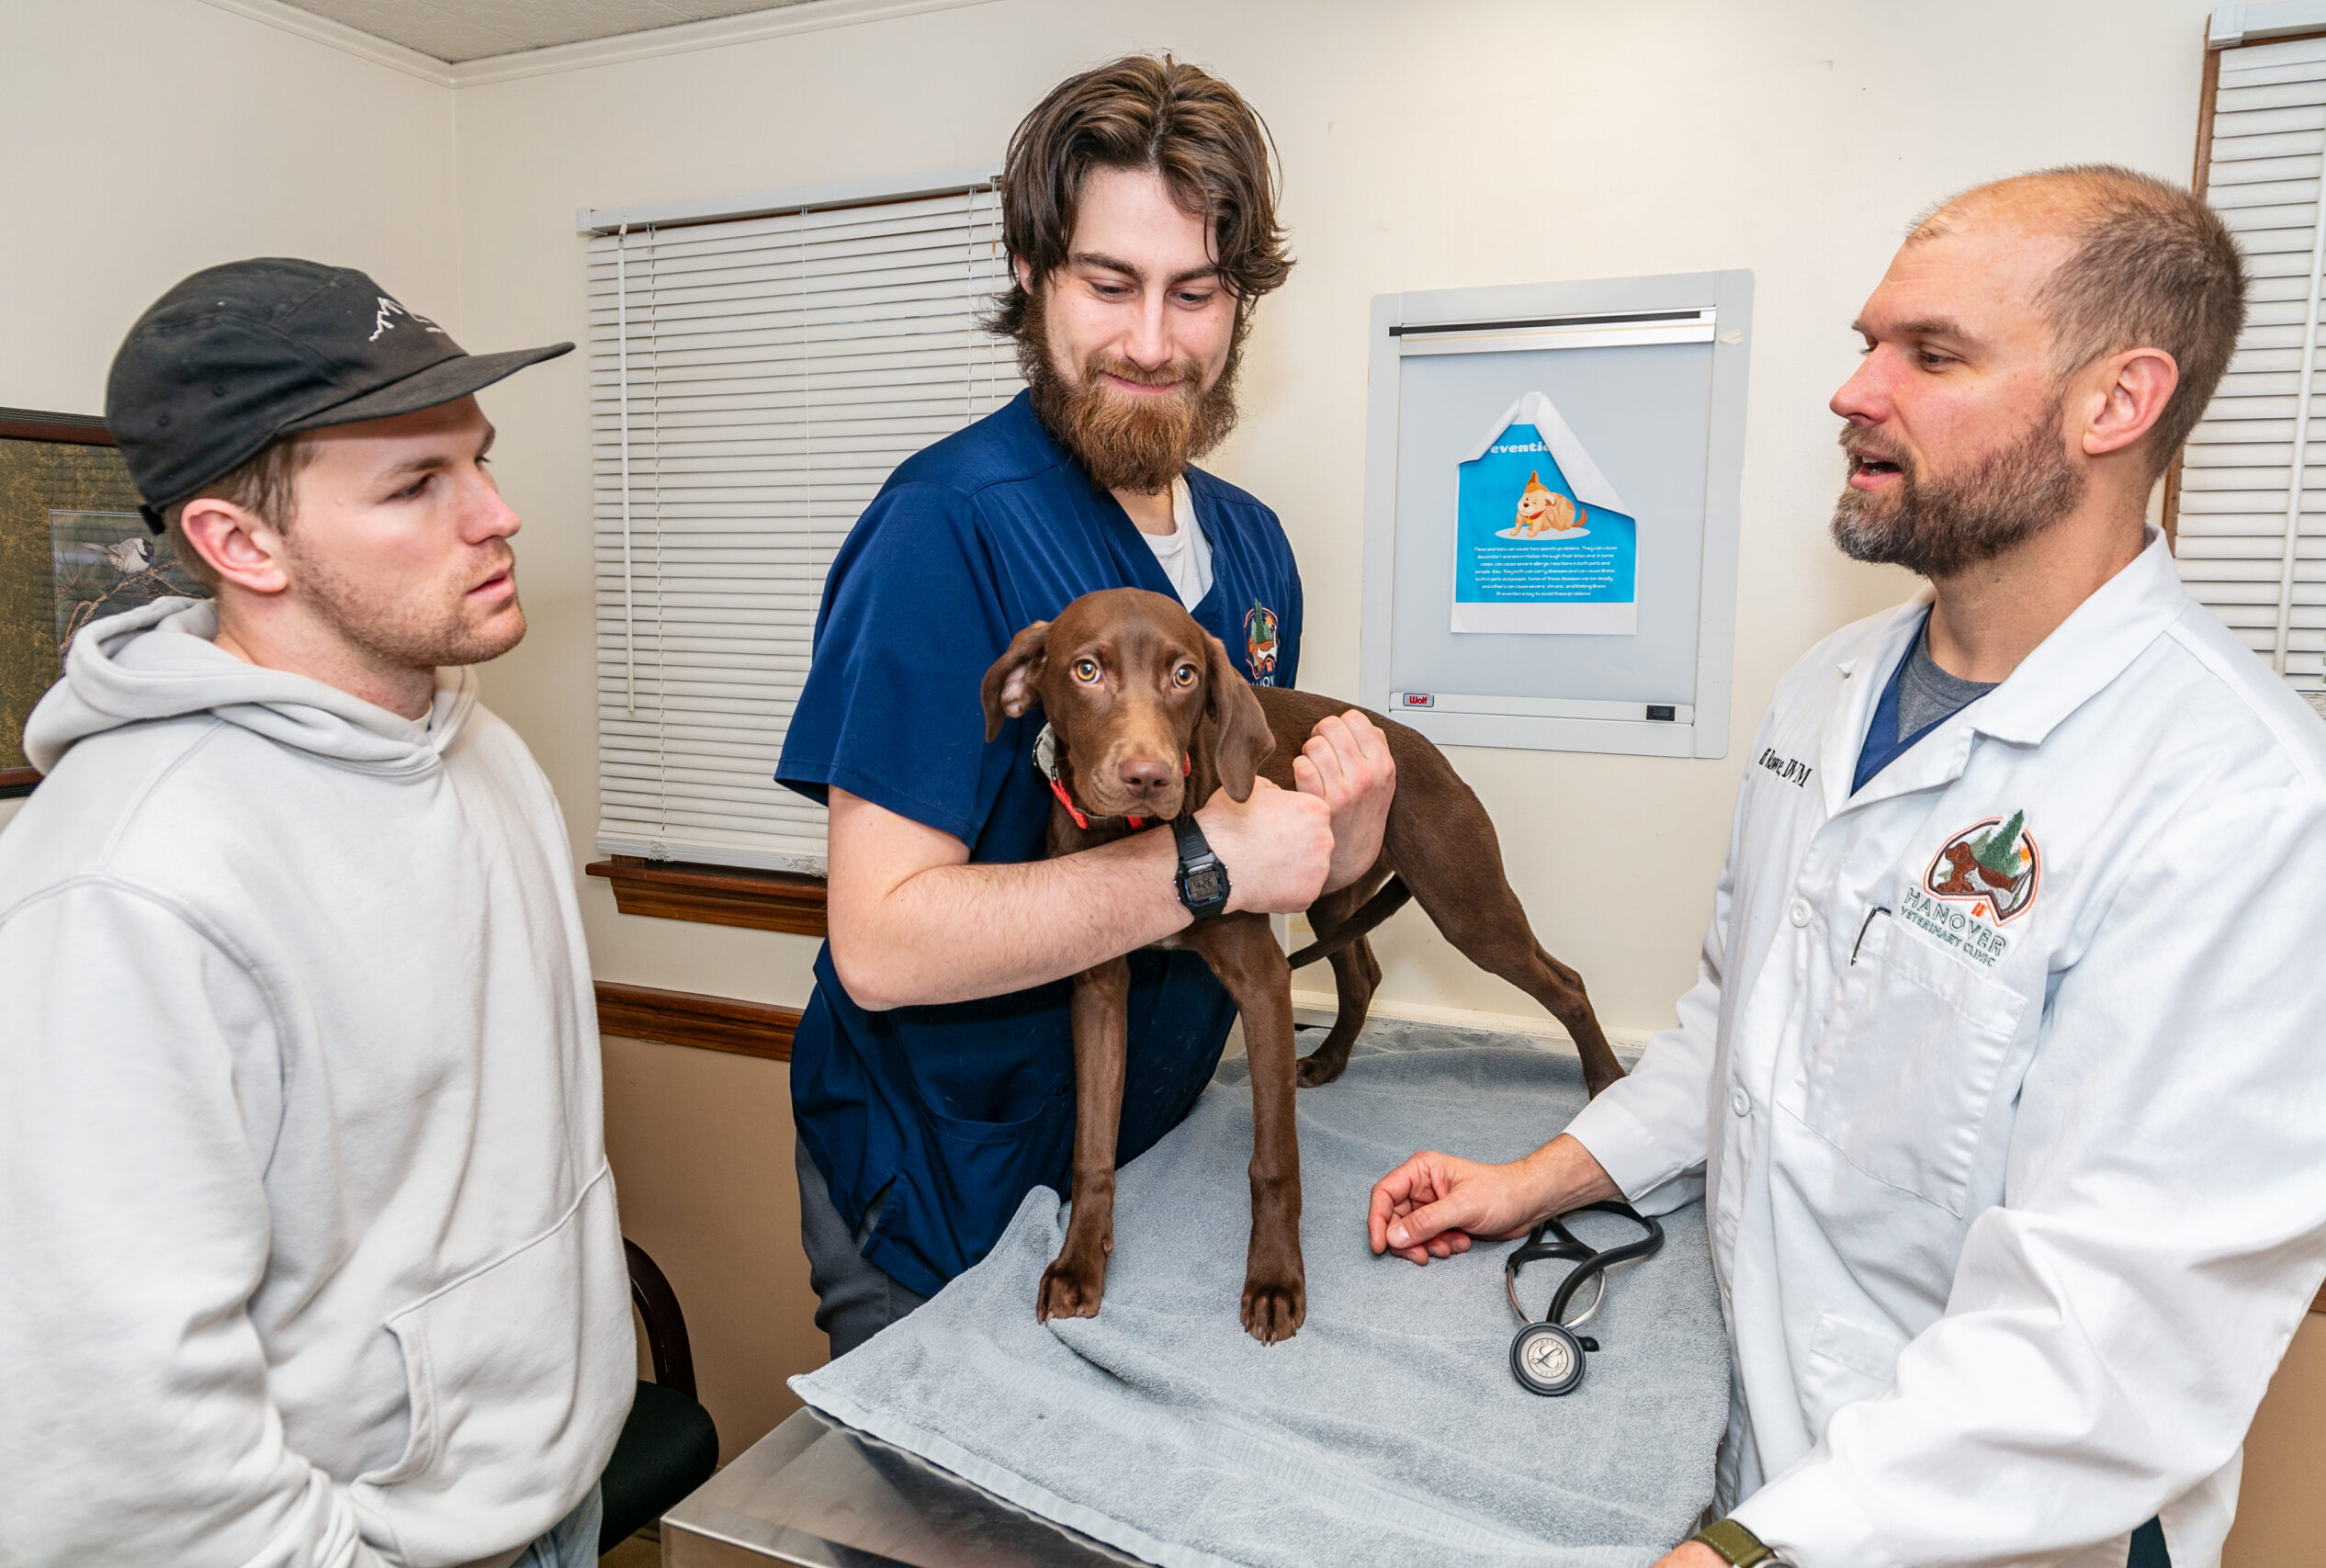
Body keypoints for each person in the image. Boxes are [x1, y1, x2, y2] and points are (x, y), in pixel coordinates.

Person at [1368, 166, 2326, 1568]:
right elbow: (1742, 1027)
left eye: (1931, 353)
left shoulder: (2252, 809)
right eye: (1869, 340)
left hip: (1976, 1527)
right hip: (1759, 1451)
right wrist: (1547, 1176)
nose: (1854, 389)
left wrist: (1753, 1550)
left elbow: (2103, 1351)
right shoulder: (1828, 694)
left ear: (2117, 403)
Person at [0, 260, 632, 1568]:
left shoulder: (481, 749)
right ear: (242, 543)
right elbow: (124, 1454)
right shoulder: (124, 888)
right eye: (417, 485)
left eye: (481, 462)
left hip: (551, 1497)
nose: (499, 515)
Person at [776, 55, 1395, 1355]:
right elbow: (883, 947)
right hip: (947, 1195)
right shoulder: (940, 532)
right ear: (1031, 277)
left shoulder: (1255, 548)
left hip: (1146, 1166)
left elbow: (1248, 844)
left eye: (1197, 293)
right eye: (1109, 285)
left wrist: (1343, 836)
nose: (1153, 342)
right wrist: (1209, 866)